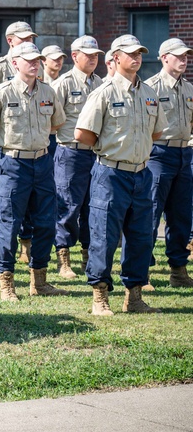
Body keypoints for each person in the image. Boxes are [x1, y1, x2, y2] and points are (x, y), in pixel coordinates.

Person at [75, 35, 167, 315]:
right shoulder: (104, 93)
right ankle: (100, 296)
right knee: (104, 235)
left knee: (140, 237)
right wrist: (113, 149)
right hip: (110, 173)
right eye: (130, 54)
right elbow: (83, 134)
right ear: (115, 58)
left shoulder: (149, 92)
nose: (136, 58)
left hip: (141, 174)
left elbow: (157, 131)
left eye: (139, 53)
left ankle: (134, 296)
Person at [0, 42, 66, 302]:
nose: (35, 64)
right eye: (29, 60)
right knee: (8, 224)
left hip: (42, 163)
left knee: (46, 222)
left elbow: (57, 124)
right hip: (14, 165)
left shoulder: (48, 91)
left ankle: (39, 280)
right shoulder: (3, 92)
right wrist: (3, 138)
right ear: (15, 63)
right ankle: (6, 282)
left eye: (37, 60)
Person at [50, 35, 104, 279]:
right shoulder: (62, 84)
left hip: (96, 154)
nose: (93, 59)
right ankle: (64, 259)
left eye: (96, 56)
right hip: (70, 152)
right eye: (88, 55)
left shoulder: (101, 83)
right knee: (68, 205)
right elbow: (50, 118)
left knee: (92, 207)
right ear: (74, 56)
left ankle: (87, 256)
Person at [145, 38, 193, 288]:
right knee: (150, 214)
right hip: (158, 155)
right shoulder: (150, 87)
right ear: (164, 58)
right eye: (178, 56)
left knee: (181, 215)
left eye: (186, 55)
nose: (184, 59)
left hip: (184, 154)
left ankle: (178, 270)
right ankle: (142, 271)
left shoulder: (189, 89)